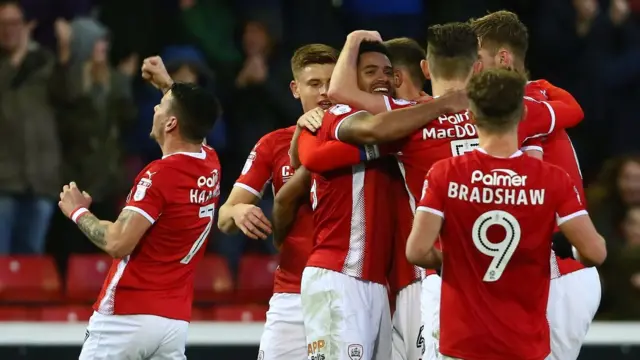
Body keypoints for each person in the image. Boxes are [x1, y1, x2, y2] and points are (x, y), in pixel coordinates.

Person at [296, 24, 480, 360]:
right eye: (370, 71)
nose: (382, 78)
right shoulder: (338, 114)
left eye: (388, 72)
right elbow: (315, 156)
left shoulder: (407, 118)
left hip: (382, 283)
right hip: (340, 274)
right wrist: (433, 115)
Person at [405, 68, 607, 360]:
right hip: (525, 343)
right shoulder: (551, 179)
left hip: (462, 342)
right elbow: (595, 253)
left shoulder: (445, 174)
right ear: (524, 114)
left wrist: (463, 261)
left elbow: (417, 250)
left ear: (472, 116)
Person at [58, 56, 221, 360]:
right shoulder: (210, 162)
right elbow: (194, 121)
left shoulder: (158, 175)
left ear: (171, 123)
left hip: (127, 317)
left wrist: (78, 211)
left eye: (161, 106)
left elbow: (118, 242)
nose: (156, 109)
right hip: (173, 322)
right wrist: (167, 85)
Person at [470, 11, 601, 360]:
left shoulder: (516, 108)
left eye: (476, 61)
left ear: (502, 58)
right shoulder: (536, 98)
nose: (471, 72)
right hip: (557, 270)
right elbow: (573, 108)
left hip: (556, 272)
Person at [217, 43, 339, 360]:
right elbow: (225, 216)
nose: (325, 92)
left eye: (331, 82)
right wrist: (241, 209)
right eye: (314, 84)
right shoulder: (273, 144)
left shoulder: (366, 136)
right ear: (295, 89)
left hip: (349, 291)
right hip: (292, 294)